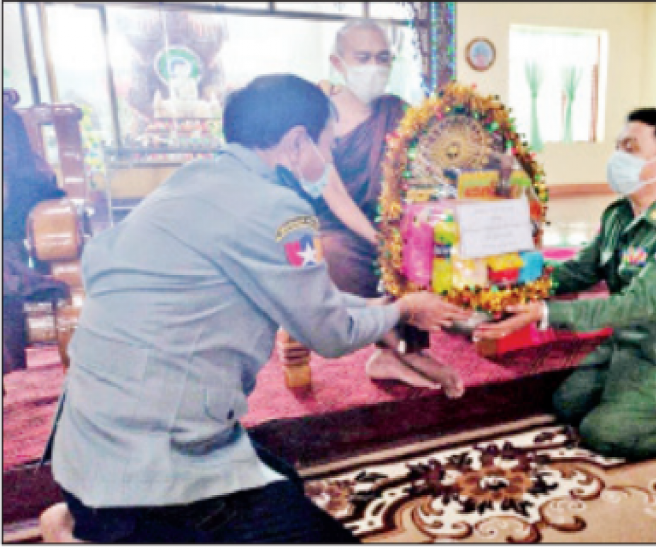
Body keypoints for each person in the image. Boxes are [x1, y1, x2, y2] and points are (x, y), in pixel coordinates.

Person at [40, 74, 470, 543]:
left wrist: (385, 309)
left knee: (284, 479)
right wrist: (401, 310)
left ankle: (83, 517)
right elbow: (330, 333)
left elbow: (305, 296)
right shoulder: (278, 210)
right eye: (328, 147)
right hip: (145, 479)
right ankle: (88, 534)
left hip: (86, 447)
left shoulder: (190, 180)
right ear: (298, 142)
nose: (328, 162)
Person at [475, 108, 656, 460]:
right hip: (635, 346)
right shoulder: (619, 215)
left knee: (602, 433)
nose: (618, 157)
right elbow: (579, 271)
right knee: (567, 404)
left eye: (630, 148)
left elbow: (639, 303)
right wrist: (515, 283)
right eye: (618, 147)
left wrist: (544, 313)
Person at [306, 19, 465, 398]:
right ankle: (400, 351)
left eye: (382, 58)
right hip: (340, 225)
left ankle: (400, 353)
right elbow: (335, 195)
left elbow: (427, 168)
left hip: (393, 221)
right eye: (363, 58)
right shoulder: (317, 117)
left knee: (420, 246)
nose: (374, 67)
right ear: (338, 62)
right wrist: (379, 240)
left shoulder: (397, 110)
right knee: (336, 254)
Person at [2, 98, 69, 377]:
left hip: (11, 216)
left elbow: (9, 177)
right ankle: (17, 278)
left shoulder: (6, 117)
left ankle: (16, 277)